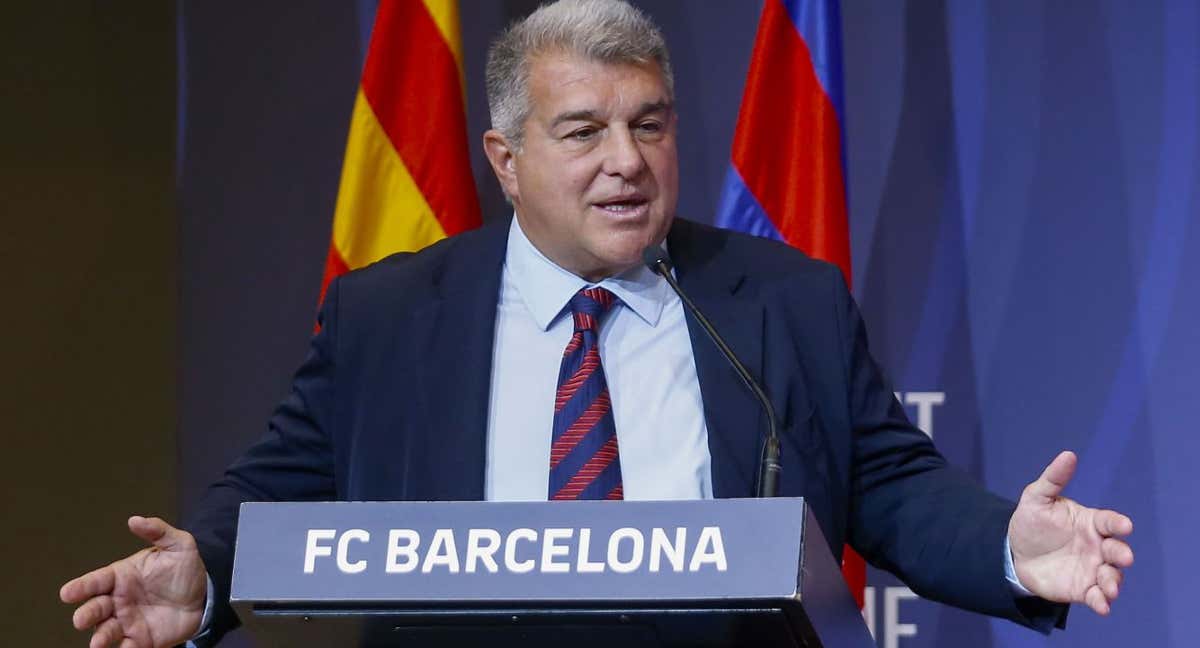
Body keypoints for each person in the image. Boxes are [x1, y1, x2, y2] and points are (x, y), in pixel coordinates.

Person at [61, 1, 1134, 646]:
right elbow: (285, 487)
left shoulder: (781, 300)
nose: (627, 160)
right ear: (505, 159)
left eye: (650, 124)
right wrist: (202, 573)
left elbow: (892, 486)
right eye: (584, 131)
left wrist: (1008, 543)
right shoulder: (392, 315)